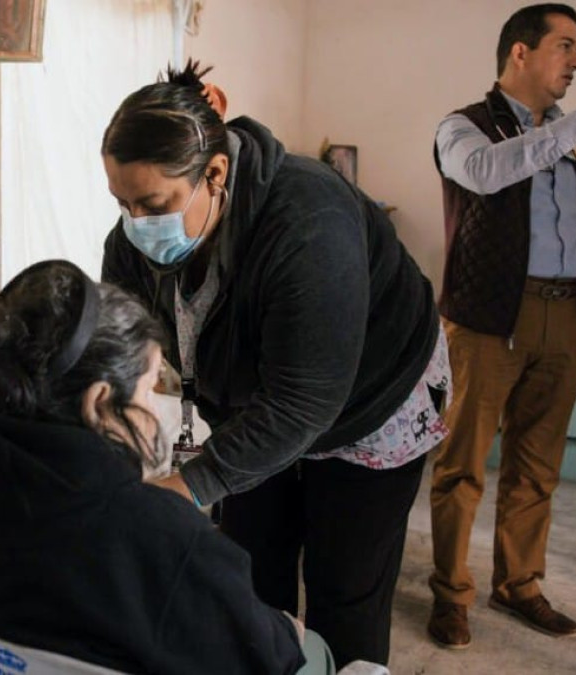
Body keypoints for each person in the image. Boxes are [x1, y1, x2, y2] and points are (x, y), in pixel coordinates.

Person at [100, 60, 449, 668]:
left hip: (371, 400)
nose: (136, 223)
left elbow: (303, 402)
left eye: (153, 203)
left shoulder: (309, 222)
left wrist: (186, 488)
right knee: (251, 573)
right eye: (122, 203)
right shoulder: (132, 240)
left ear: (215, 173)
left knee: (345, 586)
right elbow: (120, 352)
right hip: (256, 403)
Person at [0, 259, 331, 674]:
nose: (152, 409)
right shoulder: (159, 533)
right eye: (148, 390)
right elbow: (263, 655)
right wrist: (288, 632)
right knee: (314, 650)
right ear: (100, 403)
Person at [428, 3, 576, 649]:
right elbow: (483, 172)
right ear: (520, 53)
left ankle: (519, 584)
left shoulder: (568, 134)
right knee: (462, 465)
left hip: (565, 314)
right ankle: (449, 593)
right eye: (565, 46)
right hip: (486, 319)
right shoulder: (461, 126)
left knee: (537, 466)